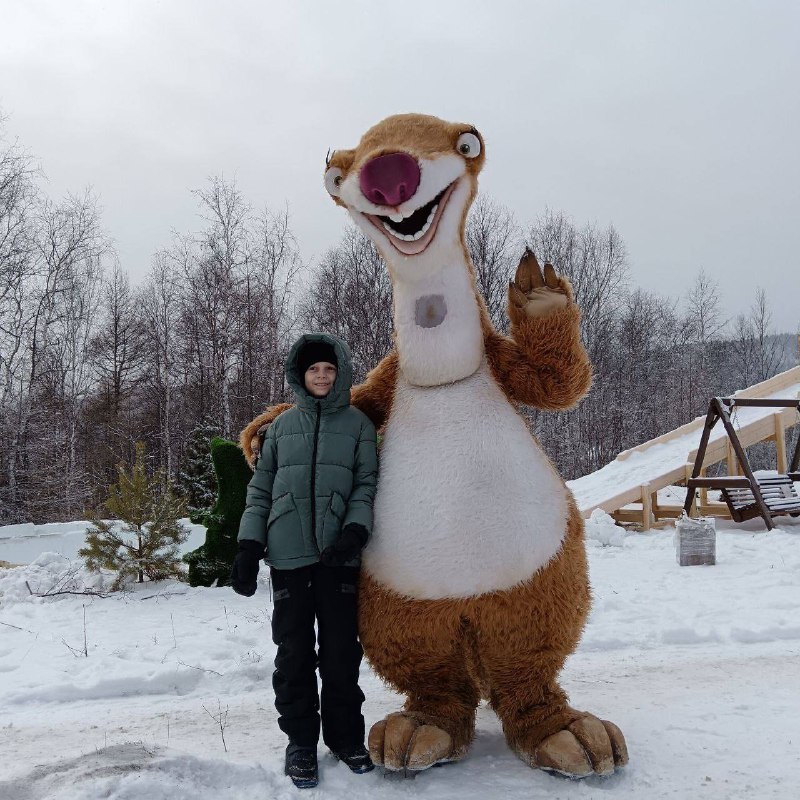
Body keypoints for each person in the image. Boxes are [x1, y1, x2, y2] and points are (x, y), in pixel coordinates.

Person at [231, 333, 378, 789]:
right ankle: (300, 743)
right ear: (301, 374)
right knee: (293, 653)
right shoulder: (280, 428)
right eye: (313, 369)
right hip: (288, 555)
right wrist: (249, 545)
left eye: (328, 370)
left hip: (338, 556)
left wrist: (354, 530)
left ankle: (346, 738)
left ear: (340, 374)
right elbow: (260, 490)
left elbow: (366, 484)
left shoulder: (358, 426)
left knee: (340, 653)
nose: (321, 376)